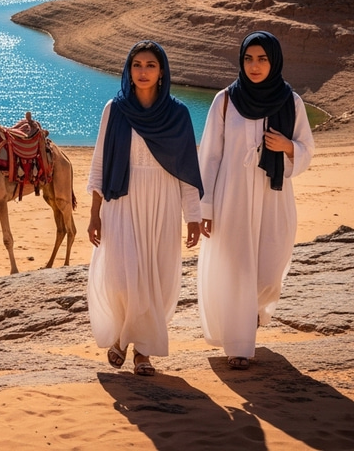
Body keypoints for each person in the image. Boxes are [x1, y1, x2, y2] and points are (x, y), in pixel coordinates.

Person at [197, 31, 314, 370]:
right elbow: (210, 157)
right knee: (237, 270)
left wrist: (288, 147)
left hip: (273, 196)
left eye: (262, 58)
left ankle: (253, 312)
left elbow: (307, 147)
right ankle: (238, 345)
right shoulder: (225, 101)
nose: (255, 65)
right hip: (231, 197)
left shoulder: (290, 101)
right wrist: (206, 208)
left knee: (269, 270)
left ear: (274, 61)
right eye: (249, 58)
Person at [87, 40, 202, 376]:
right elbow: (98, 163)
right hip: (120, 201)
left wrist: (192, 216)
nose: (143, 72)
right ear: (128, 69)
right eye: (137, 65)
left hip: (162, 204)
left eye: (150, 65)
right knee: (123, 277)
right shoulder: (115, 109)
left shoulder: (178, 114)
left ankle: (141, 352)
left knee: (155, 278)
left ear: (162, 71)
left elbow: (187, 169)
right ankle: (122, 337)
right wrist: (94, 213)